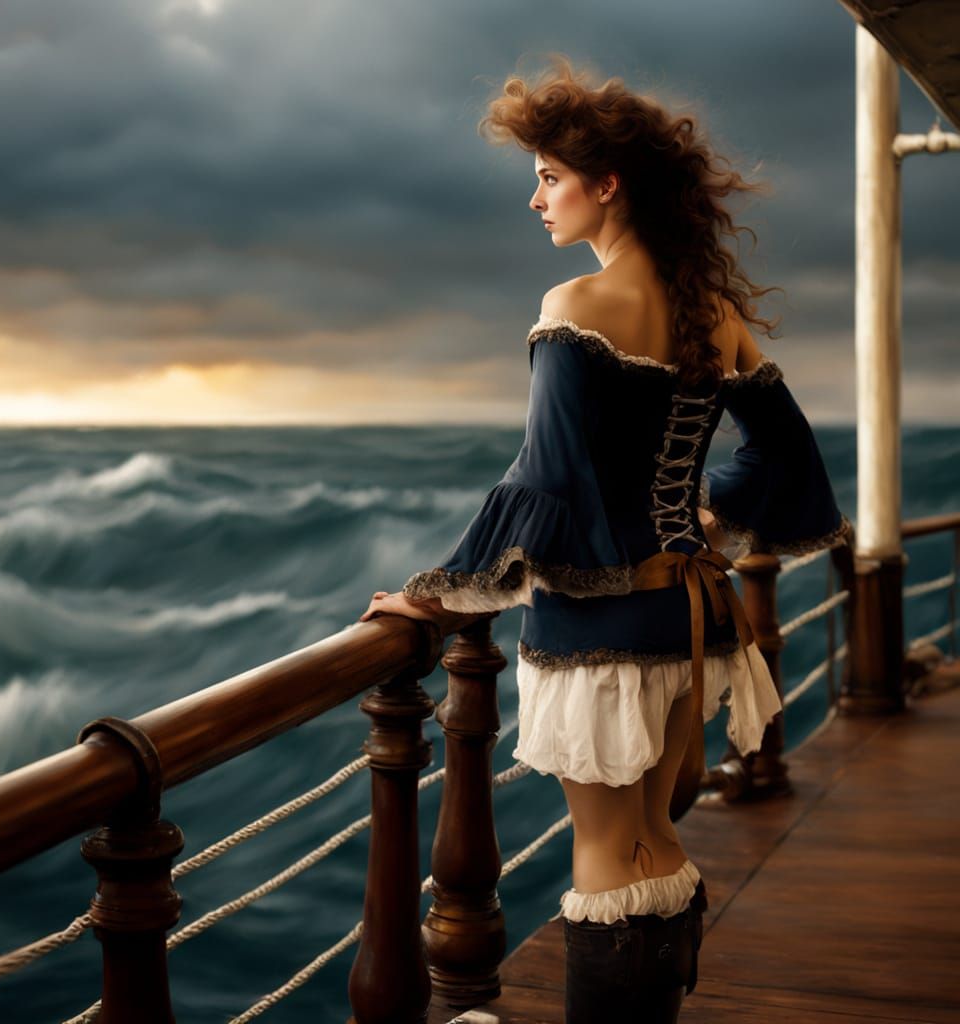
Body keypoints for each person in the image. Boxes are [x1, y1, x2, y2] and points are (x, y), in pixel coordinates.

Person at [358, 54, 852, 1023]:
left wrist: (441, 591)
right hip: (688, 619)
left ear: (606, 183)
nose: (534, 199)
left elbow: (542, 481)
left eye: (548, 176)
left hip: (599, 632)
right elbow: (787, 455)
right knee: (652, 846)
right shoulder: (713, 313)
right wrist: (705, 508)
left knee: (604, 857)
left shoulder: (574, 311)